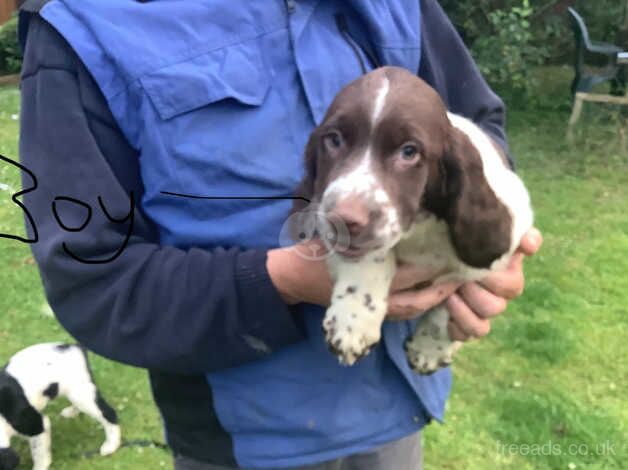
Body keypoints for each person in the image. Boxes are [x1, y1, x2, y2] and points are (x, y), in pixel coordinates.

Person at [17, 1, 542, 469]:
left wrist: (482, 250)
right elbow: (93, 281)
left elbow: (474, 127)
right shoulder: (84, 24)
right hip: (246, 442)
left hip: (396, 412)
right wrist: (286, 281)